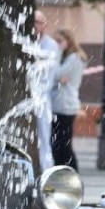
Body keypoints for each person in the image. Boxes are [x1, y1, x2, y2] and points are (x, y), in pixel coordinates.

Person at [50, 28, 85, 170]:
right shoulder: (66, 58)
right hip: (58, 106)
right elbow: (55, 78)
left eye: (60, 41)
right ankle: (61, 172)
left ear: (68, 41)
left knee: (63, 144)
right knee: (57, 144)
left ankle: (72, 172)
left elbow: (56, 74)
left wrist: (57, 55)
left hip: (66, 106)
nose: (57, 45)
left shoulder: (74, 58)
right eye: (55, 41)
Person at [35, 10, 60, 172]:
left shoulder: (50, 45)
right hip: (32, 96)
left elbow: (48, 74)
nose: (35, 26)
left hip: (42, 97)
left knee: (44, 138)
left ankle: (46, 170)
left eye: (38, 22)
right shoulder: (29, 42)